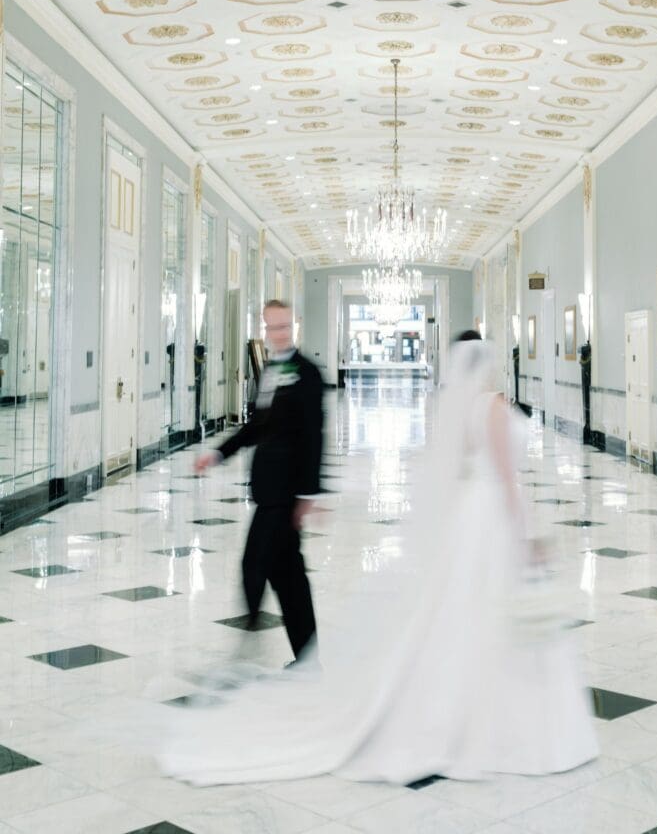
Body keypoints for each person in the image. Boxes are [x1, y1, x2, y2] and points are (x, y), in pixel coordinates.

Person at [162, 335, 598, 785]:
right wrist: (527, 536)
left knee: (458, 615)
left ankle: (457, 710)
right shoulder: (490, 406)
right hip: (490, 520)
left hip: (470, 519)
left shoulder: (463, 407)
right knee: (485, 616)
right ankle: (500, 722)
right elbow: (508, 482)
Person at [194, 300, 324, 661]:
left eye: (284, 327)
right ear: (265, 330)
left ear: (293, 327)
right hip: (267, 489)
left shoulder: (308, 373)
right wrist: (218, 453)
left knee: (258, 564)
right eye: (272, 328)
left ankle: (254, 637)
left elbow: (315, 436)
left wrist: (308, 493)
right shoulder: (267, 370)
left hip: (286, 493)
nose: (279, 334)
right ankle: (306, 655)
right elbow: (255, 428)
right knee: (286, 575)